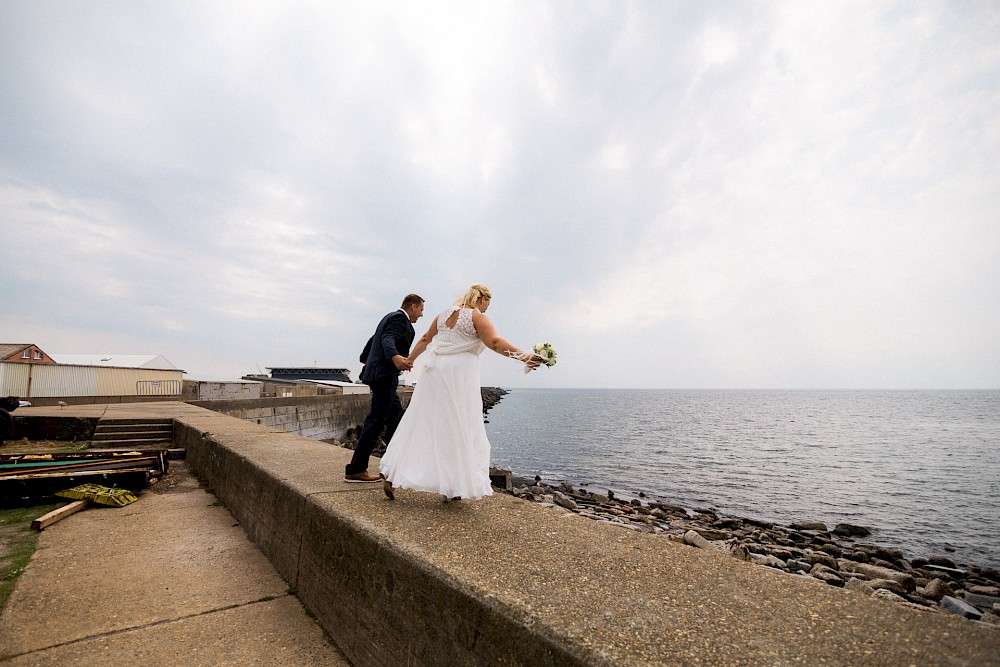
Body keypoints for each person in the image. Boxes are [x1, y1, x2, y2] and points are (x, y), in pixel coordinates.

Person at [379, 283, 539, 500]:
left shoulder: (443, 314)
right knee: (457, 426)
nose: (486, 310)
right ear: (481, 299)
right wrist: (524, 356)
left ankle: (392, 474)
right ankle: (454, 486)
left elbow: (426, 339)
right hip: (459, 374)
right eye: (487, 304)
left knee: (419, 423)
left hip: (433, 372)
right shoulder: (476, 316)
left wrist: (409, 360)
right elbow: (493, 342)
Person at [345, 294, 425, 482]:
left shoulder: (387, 318)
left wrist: (370, 359)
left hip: (380, 374)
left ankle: (394, 465)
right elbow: (387, 339)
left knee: (395, 416)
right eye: (421, 310)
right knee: (376, 420)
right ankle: (355, 469)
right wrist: (394, 357)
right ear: (412, 307)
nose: (421, 315)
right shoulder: (399, 319)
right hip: (384, 377)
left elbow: (373, 342)